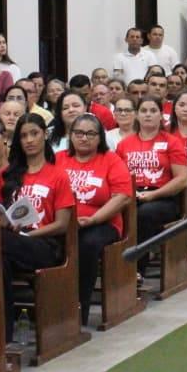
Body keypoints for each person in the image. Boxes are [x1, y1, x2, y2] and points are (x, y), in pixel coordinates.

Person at [0, 115, 75, 343]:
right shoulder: (6, 175)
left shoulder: (58, 175)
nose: (29, 140)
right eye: (23, 136)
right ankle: (3, 334)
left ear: (44, 135)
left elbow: (61, 224)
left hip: (45, 244)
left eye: (34, 133)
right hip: (10, 244)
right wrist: (6, 225)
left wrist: (28, 234)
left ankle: (2, 333)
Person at [55, 113, 133, 321]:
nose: (84, 138)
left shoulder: (111, 160)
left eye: (91, 133)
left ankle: (80, 307)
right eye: (79, 133)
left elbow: (122, 197)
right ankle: (52, 305)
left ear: (100, 138)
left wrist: (94, 219)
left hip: (102, 224)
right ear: (70, 136)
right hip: (63, 223)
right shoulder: (58, 159)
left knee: (86, 244)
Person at [117, 97, 187, 249]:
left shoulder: (172, 142)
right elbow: (118, 177)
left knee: (143, 214)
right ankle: (116, 264)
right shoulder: (124, 144)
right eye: (143, 111)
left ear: (161, 115)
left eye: (153, 111)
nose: (148, 114)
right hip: (131, 196)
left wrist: (153, 195)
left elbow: (182, 179)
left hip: (163, 197)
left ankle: (137, 267)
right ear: (136, 115)